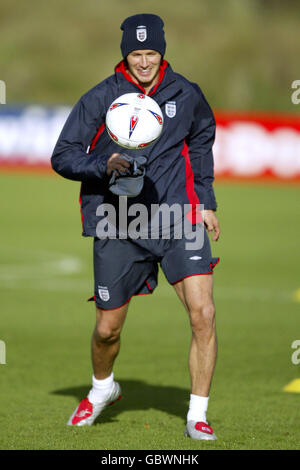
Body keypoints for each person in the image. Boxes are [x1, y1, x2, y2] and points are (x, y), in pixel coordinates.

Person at [51, 13, 220, 440]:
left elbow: (201, 142)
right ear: (124, 53)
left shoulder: (187, 93)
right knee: (107, 330)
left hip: (176, 216)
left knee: (203, 314)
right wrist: (101, 164)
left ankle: (197, 414)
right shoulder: (101, 97)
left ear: (162, 51)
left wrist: (205, 203)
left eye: (151, 53)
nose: (143, 62)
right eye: (135, 53)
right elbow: (63, 154)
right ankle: (103, 389)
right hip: (119, 221)